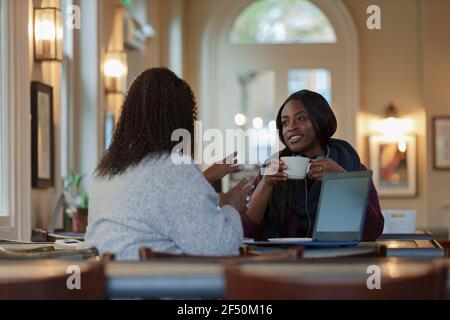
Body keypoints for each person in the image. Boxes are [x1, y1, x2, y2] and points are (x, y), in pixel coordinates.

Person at [85, 68, 249, 260]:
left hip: (104, 282)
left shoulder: (106, 171)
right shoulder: (173, 167)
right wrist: (232, 207)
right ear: (181, 120)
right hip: (153, 285)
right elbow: (221, 248)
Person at [242, 90, 384, 241]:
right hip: (282, 260)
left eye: (301, 118)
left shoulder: (351, 165)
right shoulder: (272, 169)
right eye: (285, 122)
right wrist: (265, 184)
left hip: (335, 260)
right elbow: (246, 231)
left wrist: (341, 180)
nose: (291, 127)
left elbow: (373, 230)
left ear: (320, 120)